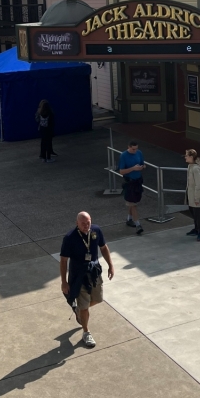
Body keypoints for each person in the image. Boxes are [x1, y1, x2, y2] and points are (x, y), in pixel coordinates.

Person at [59, 210, 114, 349]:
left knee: (98, 299)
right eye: (83, 223)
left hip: (94, 272)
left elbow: (103, 248)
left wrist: (110, 265)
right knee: (84, 306)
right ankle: (86, 332)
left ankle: (78, 310)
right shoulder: (69, 238)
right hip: (79, 276)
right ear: (76, 223)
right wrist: (64, 282)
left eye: (88, 222)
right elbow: (64, 260)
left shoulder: (96, 230)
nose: (86, 225)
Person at [118, 140, 145, 234]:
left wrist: (142, 167)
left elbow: (143, 164)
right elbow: (121, 171)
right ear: (128, 147)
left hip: (138, 181)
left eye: (136, 149)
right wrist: (133, 168)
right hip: (129, 182)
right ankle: (138, 225)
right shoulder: (124, 156)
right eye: (133, 149)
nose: (135, 151)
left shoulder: (139, 153)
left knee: (133, 202)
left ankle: (129, 219)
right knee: (133, 204)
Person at [185, 148, 200, 241]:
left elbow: (199, 185)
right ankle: (196, 229)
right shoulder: (190, 166)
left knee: (197, 214)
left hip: (196, 195)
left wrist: (197, 198)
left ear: (191, 157)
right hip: (191, 195)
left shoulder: (195, 169)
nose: (185, 157)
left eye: (186, 155)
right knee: (193, 212)